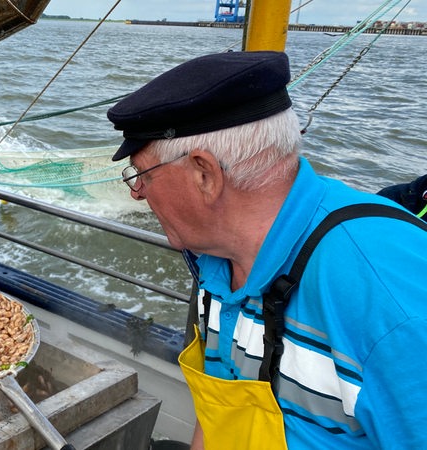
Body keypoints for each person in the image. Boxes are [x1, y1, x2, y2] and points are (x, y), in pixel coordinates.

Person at [107, 51, 427, 449]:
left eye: (141, 174)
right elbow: (219, 413)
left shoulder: (390, 300)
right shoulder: (216, 259)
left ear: (204, 173)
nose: (137, 193)